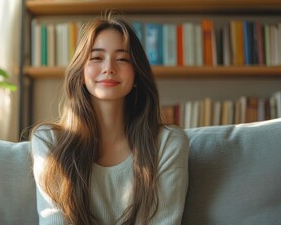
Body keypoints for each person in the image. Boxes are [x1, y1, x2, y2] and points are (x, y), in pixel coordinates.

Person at [31, 12, 189, 225]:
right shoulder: (49, 141)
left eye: (122, 59)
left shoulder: (168, 144)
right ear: (80, 74)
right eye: (96, 57)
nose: (109, 68)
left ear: (136, 75)